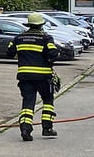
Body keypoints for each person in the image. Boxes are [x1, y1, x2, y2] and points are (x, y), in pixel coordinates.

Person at [6, 12, 60, 141]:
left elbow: (9, 53)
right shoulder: (46, 38)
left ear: (29, 25)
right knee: (47, 100)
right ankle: (47, 128)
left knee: (28, 102)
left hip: (24, 76)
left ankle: (25, 129)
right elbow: (53, 54)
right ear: (41, 25)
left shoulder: (18, 38)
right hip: (43, 77)